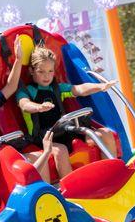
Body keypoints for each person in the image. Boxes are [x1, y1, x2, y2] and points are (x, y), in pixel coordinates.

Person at [16, 47, 119, 178]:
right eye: (41, 72)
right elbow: (25, 105)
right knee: (61, 151)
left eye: (50, 71)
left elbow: (80, 89)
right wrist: (39, 107)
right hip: (44, 137)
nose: (46, 76)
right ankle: (72, 190)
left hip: (63, 130)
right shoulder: (26, 91)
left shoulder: (57, 88)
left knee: (105, 133)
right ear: (31, 71)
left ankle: (113, 175)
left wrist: (100, 87)